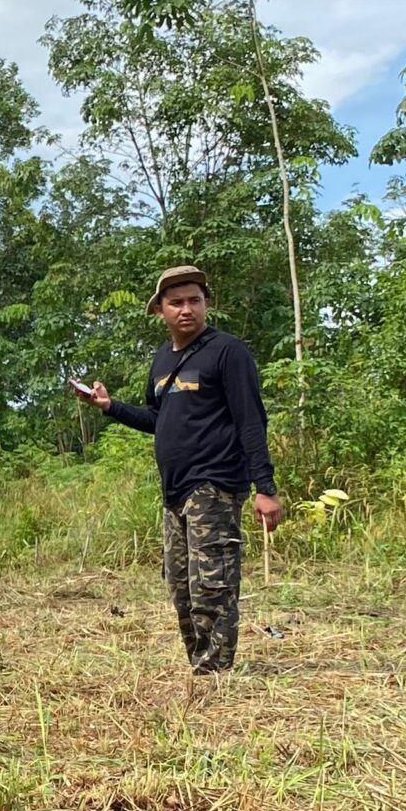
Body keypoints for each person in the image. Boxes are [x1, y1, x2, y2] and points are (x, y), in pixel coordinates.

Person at [80, 266, 282, 673]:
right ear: (160, 310)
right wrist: (109, 407)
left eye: (195, 300)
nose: (186, 309)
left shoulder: (228, 352)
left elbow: (250, 420)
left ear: (206, 304)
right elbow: (159, 417)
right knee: (181, 587)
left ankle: (214, 673)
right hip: (174, 490)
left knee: (212, 585)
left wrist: (265, 486)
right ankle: (199, 663)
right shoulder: (161, 361)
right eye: (176, 302)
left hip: (215, 483)